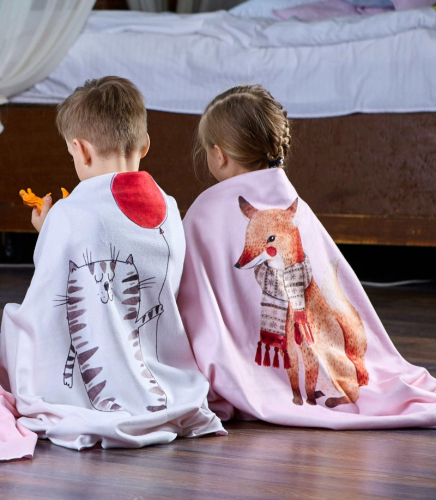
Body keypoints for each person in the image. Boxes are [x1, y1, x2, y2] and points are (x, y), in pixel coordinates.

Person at [178, 84, 436, 429]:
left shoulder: (205, 212)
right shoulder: (295, 207)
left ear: (219, 154)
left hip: (251, 366)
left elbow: (188, 300)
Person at [0, 76, 225, 450]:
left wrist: (47, 231)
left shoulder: (68, 213)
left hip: (92, 373)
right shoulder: (170, 207)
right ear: (145, 145)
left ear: (81, 150)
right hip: (159, 364)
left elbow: (49, 292)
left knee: (13, 319)